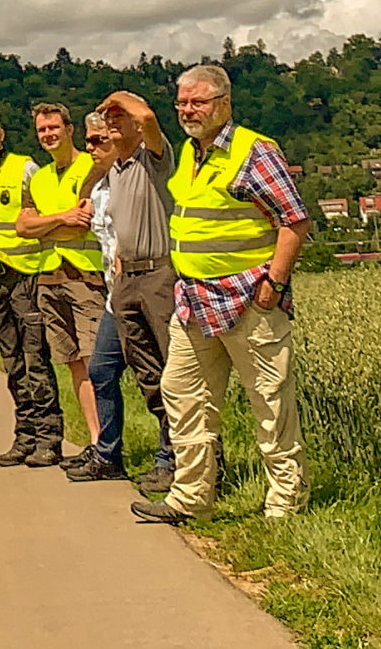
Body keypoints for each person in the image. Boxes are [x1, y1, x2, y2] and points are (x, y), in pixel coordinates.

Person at [133, 64, 313, 525]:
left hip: (248, 299)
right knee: (182, 393)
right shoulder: (191, 154)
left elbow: (294, 220)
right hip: (194, 300)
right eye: (183, 103)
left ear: (224, 104)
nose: (189, 111)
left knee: (270, 403)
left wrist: (272, 286)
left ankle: (285, 504)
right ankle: (190, 498)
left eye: (199, 102)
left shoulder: (253, 151)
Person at [67, 94, 177, 492]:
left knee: (170, 372)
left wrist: (113, 99)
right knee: (136, 371)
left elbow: (147, 115)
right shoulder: (114, 170)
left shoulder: (153, 160)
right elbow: (90, 189)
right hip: (125, 281)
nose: (106, 131)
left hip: (157, 274)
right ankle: (110, 453)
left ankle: (176, 457)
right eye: (94, 136)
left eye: (116, 121)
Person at [0, 104, 58, 466]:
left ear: (1, 134)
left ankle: (49, 438)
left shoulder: (25, 168)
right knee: (13, 362)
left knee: (36, 359)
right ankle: (25, 436)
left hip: (27, 275)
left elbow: (42, 217)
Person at [17, 98, 104, 464]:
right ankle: (96, 440)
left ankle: (107, 444)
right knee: (73, 362)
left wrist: (47, 223)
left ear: (70, 129)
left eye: (54, 127)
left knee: (95, 361)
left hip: (85, 274)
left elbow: (82, 222)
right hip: (49, 277)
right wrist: (60, 217)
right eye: (42, 130)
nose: (48, 134)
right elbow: (22, 226)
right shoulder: (39, 177)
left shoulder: (92, 165)